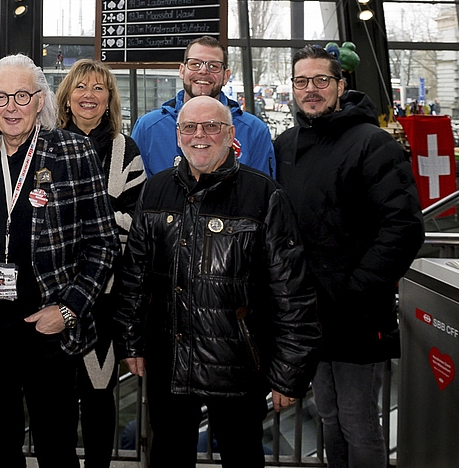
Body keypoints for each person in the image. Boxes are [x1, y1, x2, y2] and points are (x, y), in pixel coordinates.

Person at [113, 96, 320, 468]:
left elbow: (292, 293)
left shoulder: (264, 196)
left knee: (242, 458)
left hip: (238, 366)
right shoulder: (156, 190)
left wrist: (289, 374)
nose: (200, 136)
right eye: (189, 128)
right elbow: (135, 276)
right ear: (178, 136)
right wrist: (130, 341)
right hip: (169, 362)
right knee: (168, 457)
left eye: (212, 126)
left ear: (230, 135)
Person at [0, 54, 118, 468]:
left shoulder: (73, 152)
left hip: (48, 329)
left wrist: (68, 309)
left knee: (56, 449)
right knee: (1, 450)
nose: (11, 106)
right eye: (0, 96)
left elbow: (103, 244)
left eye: (22, 95)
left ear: (40, 100)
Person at [274, 45, 424, 468]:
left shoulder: (373, 144)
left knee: (358, 420)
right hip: (309, 313)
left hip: (357, 313)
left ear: (341, 85)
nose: (311, 89)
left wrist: (355, 291)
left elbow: (404, 228)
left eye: (321, 80)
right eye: (301, 81)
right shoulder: (287, 145)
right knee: (327, 415)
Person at [54, 58, 146, 468]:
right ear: (67, 98)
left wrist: (79, 219)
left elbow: (134, 224)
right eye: (80, 88)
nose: (89, 96)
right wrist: (101, 215)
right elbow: (39, 220)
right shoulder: (47, 144)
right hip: (54, 295)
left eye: (98, 89)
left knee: (98, 394)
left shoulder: (127, 150)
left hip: (106, 299)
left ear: (110, 99)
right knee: (54, 399)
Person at [130, 36, 275, 177]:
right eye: (195, 64)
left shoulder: (255, 131)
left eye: (213, 66)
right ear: (182, 71)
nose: (203, 71)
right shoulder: (148, 128)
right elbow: (138, 194)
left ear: (226, 76)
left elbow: (261, 194)